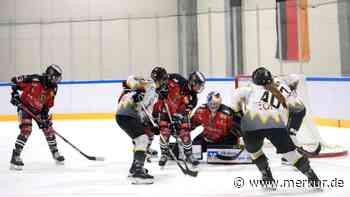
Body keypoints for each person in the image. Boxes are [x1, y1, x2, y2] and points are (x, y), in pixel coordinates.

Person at [231, 67, 321, 189]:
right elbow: (300, 109)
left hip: (251, 123)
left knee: (254, 151)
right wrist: (292, 131)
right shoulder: (282, 87)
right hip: (275, 123)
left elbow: (233, 108)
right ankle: (312, 177)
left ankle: (266, 175)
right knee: (290, 154)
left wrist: (239, 123)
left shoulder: (246, 89)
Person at [9, 64, 64, 170]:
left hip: (38, 110)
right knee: (26, 130)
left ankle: (55, 152)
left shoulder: (54, 88)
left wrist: (44, 116)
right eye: (56, 78)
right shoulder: (34, 80)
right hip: (24, 107)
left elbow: (48, 104)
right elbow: (14, 81)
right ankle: (15, 156)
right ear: (50, 75)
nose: (57, 81)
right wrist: (15, 95)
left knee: (48, 129)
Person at [116, 68, 166, 184]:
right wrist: (138, 90)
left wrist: (153, 125)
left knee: (141, 139)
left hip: (128, 115)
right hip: (126, 112)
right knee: (142, 139)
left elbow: (145, 113)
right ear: (162, 80)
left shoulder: (155, 95)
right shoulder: (149, 83)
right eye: (164, 81)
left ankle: (135, 168)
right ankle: (138, 171)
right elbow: (129, 80)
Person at [153, 70, 206, 167]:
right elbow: (162, 81)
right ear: (192, 82)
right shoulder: (176, 78)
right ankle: (164, 154)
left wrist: (177, 119)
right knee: (165, 132)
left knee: (185, 133)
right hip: (165, 111)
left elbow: (184, 111)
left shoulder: (193, 99)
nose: (199, 88)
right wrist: (160, 89)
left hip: (178, 116)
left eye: (200, 86)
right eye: (198, 85)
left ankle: (189, 154)